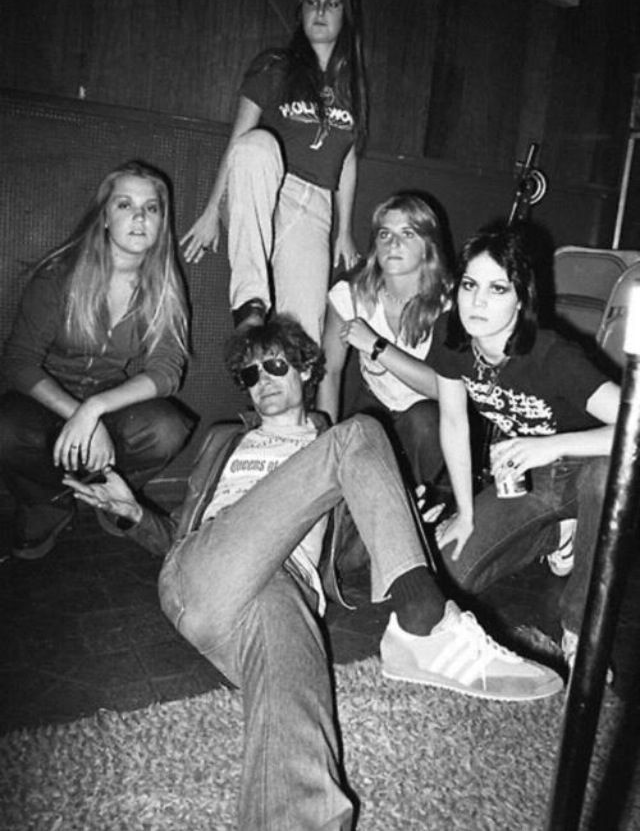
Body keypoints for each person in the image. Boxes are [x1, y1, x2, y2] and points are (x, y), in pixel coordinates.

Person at [64, 313, 562, 831]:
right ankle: (423, 621)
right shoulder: (226, 441)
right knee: (361, 434)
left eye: (275, 366)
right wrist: (136, 514)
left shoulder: (334, 450)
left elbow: (352, 555)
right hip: (206, 571)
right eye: (250, 375)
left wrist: (403, 513)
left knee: (297, 728)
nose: (263, 382)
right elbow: (184, 541)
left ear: (305, 369)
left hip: (281, 595)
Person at [427, 228, 621, 670]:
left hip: (584, 467)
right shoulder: (451, 335)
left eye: (497, 289)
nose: (476, 302)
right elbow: (454, 421)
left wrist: (550, 446)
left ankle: (578, 629)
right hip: (525, 479)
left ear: (521, 299)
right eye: (470, 285)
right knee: (450, 577)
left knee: (602, 477)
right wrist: (466, 512)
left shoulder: (552, 355)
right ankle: (558, 533)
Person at [0, 159, 195, 560]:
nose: (140, 216)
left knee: (166, 428)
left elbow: (166, 371)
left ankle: (112, 492)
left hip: (110, 399)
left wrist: (95, 409)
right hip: (46, 398)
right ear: (104, 216)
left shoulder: (165, 289)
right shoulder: (59, 275)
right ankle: (47, 501)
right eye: (125, 205)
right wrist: (77, 412)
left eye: (152, 208)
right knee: (5, 429)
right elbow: (18, 361)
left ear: (162, 222)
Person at [180, 0, 368, 342]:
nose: (320, 11)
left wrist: (344, 232)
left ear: (345, 14)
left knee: (303, 337)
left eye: (332, 4)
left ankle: (286, 395)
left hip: (315, 208)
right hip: (264, 192)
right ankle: (249, 305)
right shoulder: (275, 66)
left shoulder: (354, 86)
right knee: (258, 145)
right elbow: (239, 143)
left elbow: (347, 159)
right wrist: (213, 209)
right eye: (312, 2)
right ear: (300, 9)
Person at [317, 192, 451, 491]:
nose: (393, 244)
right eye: (384, 234)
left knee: (424, 421)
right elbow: (330, 372)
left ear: (428, 245)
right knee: (355, 444)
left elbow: (445, 388)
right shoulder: (350, 294)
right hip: (374, 404)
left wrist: (376, 346)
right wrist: (327, 441)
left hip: (428, 416)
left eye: (407, 233)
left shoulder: (448, 304)